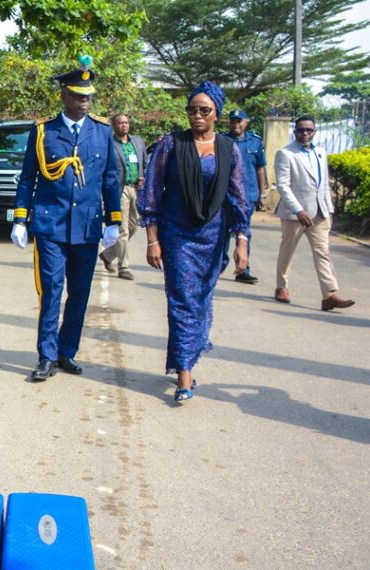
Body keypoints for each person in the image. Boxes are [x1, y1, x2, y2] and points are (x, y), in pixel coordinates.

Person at [136, 81, 250, 403]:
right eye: (192, 109)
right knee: (182, 300)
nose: (197, 115)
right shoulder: (172, 145)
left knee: (201, 299)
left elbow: (238, 197)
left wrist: (242, 240)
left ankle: (189, 355)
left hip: (213, 237)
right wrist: (152, 240)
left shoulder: (230, 149)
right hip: (177, 235)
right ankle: (184, 374)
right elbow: (152, 193)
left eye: (204, 110)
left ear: (217, 113)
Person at [10, 56, 121, 382]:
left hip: (87, 226)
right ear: (64, 95)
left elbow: (111, 179)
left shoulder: (102, 131)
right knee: (52, 291)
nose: (84, 102)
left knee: (80, 293)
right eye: (77, 95)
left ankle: (66, 351)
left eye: (88, 96)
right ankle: (46, 356)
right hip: (51, 224)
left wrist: (114, 221)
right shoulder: (44, 131)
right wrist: (19, 219)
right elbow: (28, 177)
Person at [272, 116, 355, 311]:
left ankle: (329, 295)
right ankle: (281, 287)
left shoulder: (320, 152)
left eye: (309, 130)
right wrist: (298, 209)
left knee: (323, 252)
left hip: (320, 213)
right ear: (295, 132)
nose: (305, 133)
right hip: (295, 214)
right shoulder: (285, 153)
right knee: (287, 251)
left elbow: (324, 184)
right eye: (301, 130)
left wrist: (328, 210)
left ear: (314, 132)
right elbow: (283, 185)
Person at [220, 110, 268, 284]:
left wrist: (262, 194)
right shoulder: (223, 141)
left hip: (248, 194)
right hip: (225, 194)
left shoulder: (255, 142)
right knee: (222, 230)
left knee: (244, 232)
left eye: (239, 121)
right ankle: (219, 265)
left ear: (246, 122)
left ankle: (242, 270)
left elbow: (260, 168)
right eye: (233, 121)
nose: (235, 125)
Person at [99, 113, 146, 280]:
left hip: (136, 188)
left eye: (126, 122)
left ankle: (108, 255)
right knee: (122, 229)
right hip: (119, 190)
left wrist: (143, 177)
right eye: (120, 123)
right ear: (114, 125)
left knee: (134, 226)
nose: (124, 125)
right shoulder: (108, 143)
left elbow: (144, 163)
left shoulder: (138, 142)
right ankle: (124, 267)